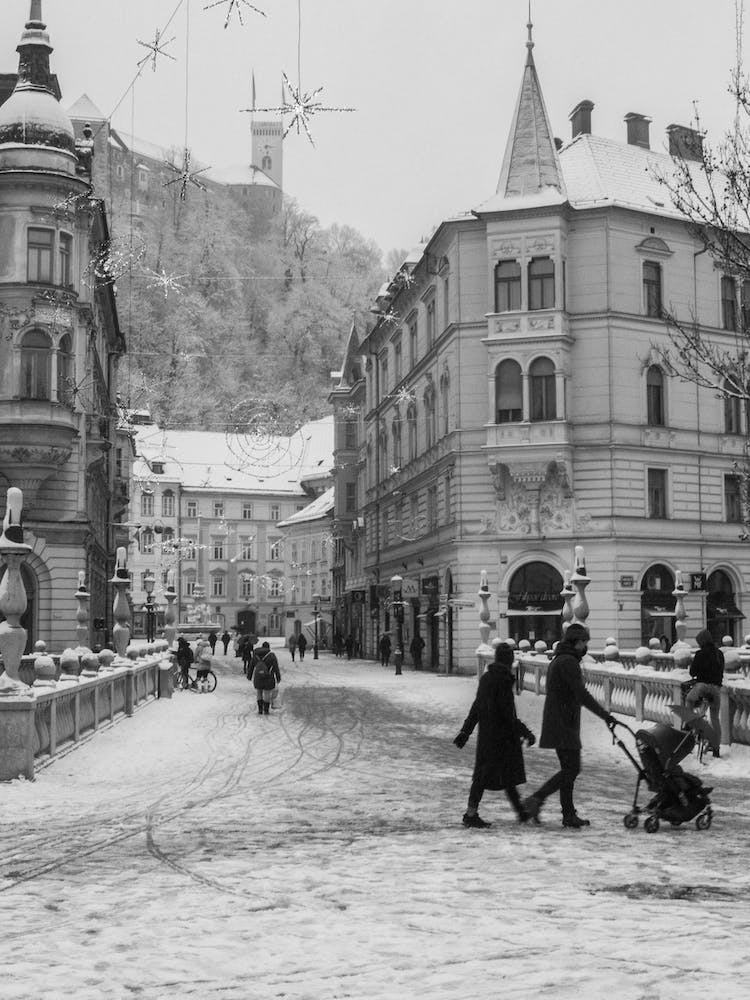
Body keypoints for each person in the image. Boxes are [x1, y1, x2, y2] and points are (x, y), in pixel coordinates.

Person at [522, 623, 617, 829]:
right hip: (563, 723)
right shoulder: (568, 662)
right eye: (584, 642)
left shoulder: (562, 659)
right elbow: (581, 694)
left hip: (561, 721)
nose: (586, 646)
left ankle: (568, 814)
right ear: (577, 642)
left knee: (569, 769)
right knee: (572, 769)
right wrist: (605, 715)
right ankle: (536, 799)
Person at [454, 643, 536, 828]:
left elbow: (477, 706)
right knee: (498, 776)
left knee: (488, 776)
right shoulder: (503, 680)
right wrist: (525, 733)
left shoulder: (487, 678)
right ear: (511, 661)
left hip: (488, 736)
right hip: (502, 737)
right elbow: (508, 715)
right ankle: (472, 815)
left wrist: (465, 731)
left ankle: (477, 812)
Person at [686, 628, 725, 756]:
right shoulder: (719, 654)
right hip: (716, 690)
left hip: (702, 687)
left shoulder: (700, 654)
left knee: (689, 700)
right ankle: (716, 748)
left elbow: (693, 672)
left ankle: (690, 724)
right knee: (715, 718)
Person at [249, 641, 281, 714]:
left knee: (259, 692)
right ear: (268, 648)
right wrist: (278, 677)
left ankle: (260, 709)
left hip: (258, 677)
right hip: (268, 677)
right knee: (267, 693)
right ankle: (266, 710)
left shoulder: (255, 655)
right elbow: (276, 667)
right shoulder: (271, 655)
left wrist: (249, 676)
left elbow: (251, 666)